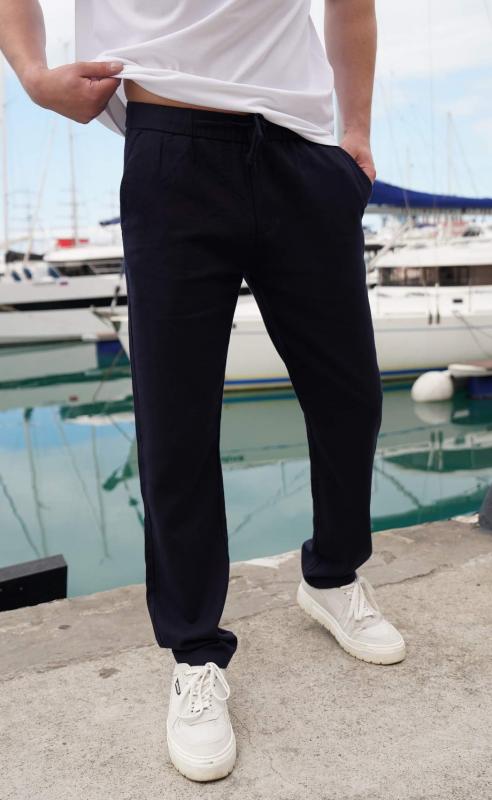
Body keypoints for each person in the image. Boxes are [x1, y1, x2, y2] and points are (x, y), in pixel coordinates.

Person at [1, 0, 406, 783]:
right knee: (177, 421)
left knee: (350, 394)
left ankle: (332, 575)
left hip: (303, 150)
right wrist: (32, 75)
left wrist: (354, 131)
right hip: (172, 142)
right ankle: (195, 653)